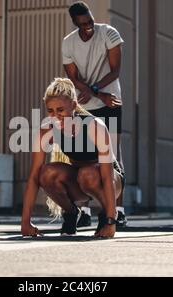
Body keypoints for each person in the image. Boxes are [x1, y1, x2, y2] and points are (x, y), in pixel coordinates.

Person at [21, 78, 125, 238]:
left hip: (109, 180)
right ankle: (70, 213)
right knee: (46, 173)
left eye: (61, 110)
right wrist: (25, 223)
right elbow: (34, 178)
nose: (55, 116)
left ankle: (105, 215)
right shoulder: (46, 130)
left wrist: (111, 221)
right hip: (79, 179)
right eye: (50, 111)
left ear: (74, 106)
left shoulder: (94, 126)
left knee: (87, 174)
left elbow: (107, 175)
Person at [62, 1, 127, 227]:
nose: (89, 26)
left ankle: (118, 209)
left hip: (110, 100)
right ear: (75, 23)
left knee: (113, 154)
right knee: (82, 156)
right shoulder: (68, 43)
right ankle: (85, 212)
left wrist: (97, 92)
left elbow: (115, 69)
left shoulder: (108, 33)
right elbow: (73, 78)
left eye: (90, 21)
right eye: (83, 24)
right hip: (83, 104)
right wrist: (92, 94)